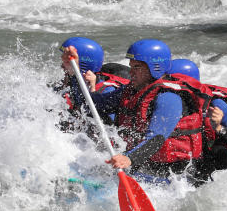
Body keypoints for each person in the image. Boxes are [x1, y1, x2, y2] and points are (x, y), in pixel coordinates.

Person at [63, 39, 208, 180]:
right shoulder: (131, 91)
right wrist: (74, 72)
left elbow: (156, 138)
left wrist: (129, 158)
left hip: (176, 174)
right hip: (142, 164)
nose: (131, 72)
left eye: (137, 67)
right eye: (131, 66)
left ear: (155, 67)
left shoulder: (169, 97)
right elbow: (90, 106)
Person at [168, 59, 227, 181]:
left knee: (219, 151)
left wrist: (218, 128)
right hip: (179, 169)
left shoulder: (215, 104)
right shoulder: (164, 104)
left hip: (212, 168)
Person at [54, 37, 129, 126]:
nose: (62, 66)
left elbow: (107, 126)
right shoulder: (66, 85)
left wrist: (91, 89)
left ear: (82, 65)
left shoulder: (107, 91)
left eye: (66, 63)